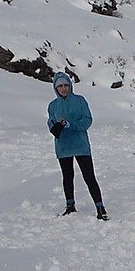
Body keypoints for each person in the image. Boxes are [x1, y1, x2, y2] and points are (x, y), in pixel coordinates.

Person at [47, 72, 108, 220]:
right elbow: (50, 122)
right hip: (63, 146)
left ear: (70, 86)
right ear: (55, 88)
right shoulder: (53, 105)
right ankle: (70, 205)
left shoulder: (80, 101)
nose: (63, 89)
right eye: (60, 86)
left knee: (89, 176)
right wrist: (55, 126)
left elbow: (87, 121)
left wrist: (71, 125)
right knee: (67, 176)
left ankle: (100, 207)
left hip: (81, 145)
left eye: (66, 85)